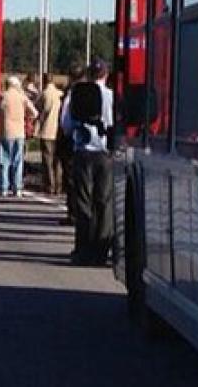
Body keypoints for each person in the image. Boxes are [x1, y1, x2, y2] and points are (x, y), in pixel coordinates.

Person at [61, 57, 114, 266]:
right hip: (105, 154)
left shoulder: (76, 94)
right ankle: (101, 250)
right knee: (104, 202)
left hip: (83, 153)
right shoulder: (112, 96)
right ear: (106, 74)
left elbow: (66, 125)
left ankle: (83, 249)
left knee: (83, 201)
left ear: (90, 73)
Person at [0, 75, 37, 197]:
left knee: (4, 160)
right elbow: (35, 112)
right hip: (19, 132)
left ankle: (3, 187)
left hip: (5, 132)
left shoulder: (2, 96)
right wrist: (25, 117)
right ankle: (17, 187)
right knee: (18, 161)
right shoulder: (22, 97)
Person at [55, 64, 85, 226]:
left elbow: (66, 121)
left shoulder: (72, 95)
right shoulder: (94, 92)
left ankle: (73, 213)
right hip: (88, 143)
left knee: (71, 179)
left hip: (71, 142)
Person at [36, 74, 65, 195]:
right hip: (59, 130)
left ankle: (49, 185)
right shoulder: (60, 94)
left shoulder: (44, 94)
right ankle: (59, 185)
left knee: (47, 159)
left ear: (44, 81)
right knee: (57, 160)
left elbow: (38, 109)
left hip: (47, 130)